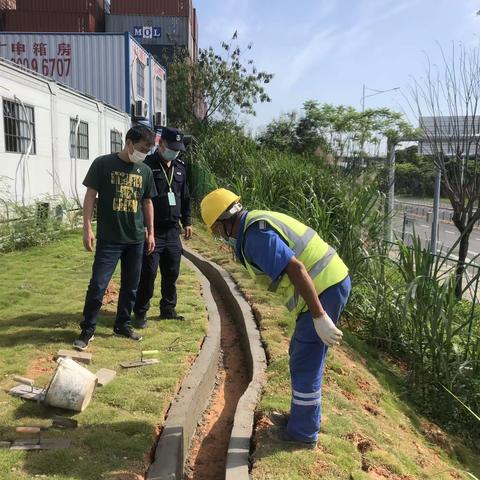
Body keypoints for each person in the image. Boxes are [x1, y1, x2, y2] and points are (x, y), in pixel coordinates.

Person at [200, 188, 351, 448]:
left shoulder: (255, 236)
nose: (217, 237)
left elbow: (296, 268)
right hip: (326, 284)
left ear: (224, 223)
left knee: (306, 360)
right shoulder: (254, 224)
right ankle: (302, 419)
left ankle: (302, 435)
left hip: (324, 289)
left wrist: (319, 316)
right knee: (300, 353)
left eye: (215, 230)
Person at [73, 125, 157, 351]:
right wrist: (87, 228)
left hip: (136, 239)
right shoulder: (103, 164)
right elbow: (91, 195)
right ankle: (87, 329)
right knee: (98, 285)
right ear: (128, 142)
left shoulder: (145, 171)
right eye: (141, 148)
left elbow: (147, 202)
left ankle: (122, 324)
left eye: (147, 151)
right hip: (109, 239)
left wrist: (150, 232)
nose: (144, 154)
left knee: (131, 286)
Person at [133, 127, 192, 327]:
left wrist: (188, 221)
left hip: (173, 230)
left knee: (172, 271)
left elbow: (185, 196)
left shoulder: (181, 167)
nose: (175, 152)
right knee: (148, 273)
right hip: (153, 230)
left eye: (178, 149)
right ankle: (140, 312)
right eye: (172, 148)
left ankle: (168, 309)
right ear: (161, 144)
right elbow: (140, 198)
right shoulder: (146, 165)